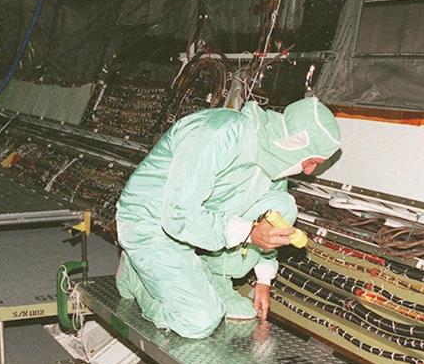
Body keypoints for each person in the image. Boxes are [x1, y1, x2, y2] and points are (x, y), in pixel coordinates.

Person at [115, 96, 342, 339]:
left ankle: (213, 277)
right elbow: (179, 216)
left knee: (282, 205)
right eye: (311, 162)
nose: (309, 171)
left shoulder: (273, 155)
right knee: (199, 321)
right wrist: (249, 233)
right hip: (151, 224)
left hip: (195, 229)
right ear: (295, 143)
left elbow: (271, 223)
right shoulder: (218, 132)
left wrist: (264, 280)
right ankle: (136, 276)